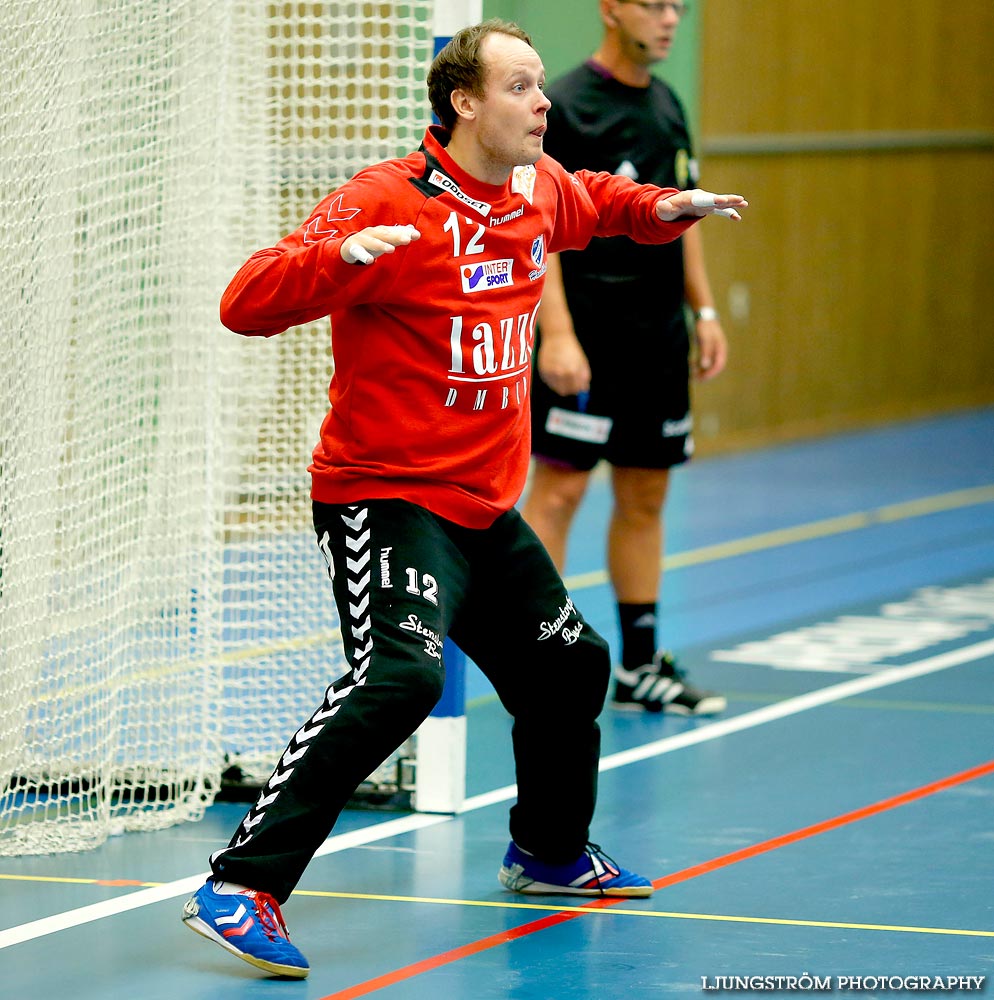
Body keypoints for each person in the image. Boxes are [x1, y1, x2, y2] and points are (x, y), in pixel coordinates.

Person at [181, 18, 745, 979]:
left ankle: (551, 853)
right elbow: (246, 298)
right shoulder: (385, 198)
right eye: (523, 88)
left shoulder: (532, 185)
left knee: (573, 670)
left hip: (483, 505)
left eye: (540, 86)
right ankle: (240, 887)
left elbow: (599, 203)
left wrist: (665, 207)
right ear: (465, 103)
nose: (544, 103)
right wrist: (340, 262)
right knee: (398, 676)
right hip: (385, 496)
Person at [521, 0, 730, 717]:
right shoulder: (569, 105)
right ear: (611, 9)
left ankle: (640, 666)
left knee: (646, 494)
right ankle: (534, 651)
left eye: (678, 7)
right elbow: (538, 226)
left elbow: (685, 212)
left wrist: (701, 311)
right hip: (588, 333)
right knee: (561, 492)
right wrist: (559, 333)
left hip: (657, 340)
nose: (670, 18)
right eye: (653, 4)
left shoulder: (669, 105)